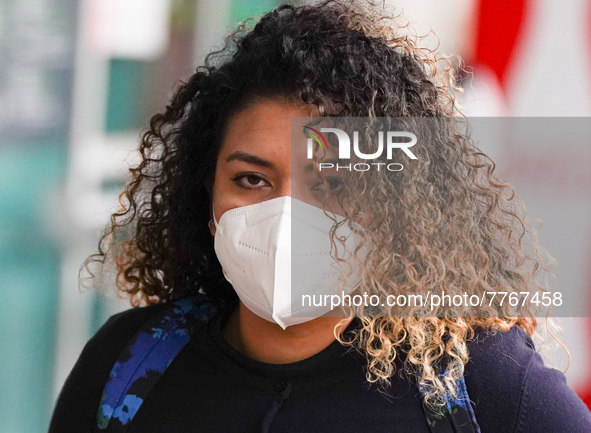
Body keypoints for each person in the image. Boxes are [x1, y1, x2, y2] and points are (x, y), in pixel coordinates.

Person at [49, 1, 591, 432]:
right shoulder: (129, 365)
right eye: (252, 179)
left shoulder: (483, 391)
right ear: (204, 198)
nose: (287, 213)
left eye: (333, 184)